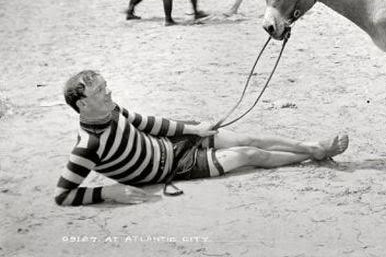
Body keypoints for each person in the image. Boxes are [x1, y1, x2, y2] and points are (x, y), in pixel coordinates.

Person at [55, 70, 349, 206]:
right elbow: (63, 195)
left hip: (174, 143)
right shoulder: (87, 147)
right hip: (174, 168)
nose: (109, 93)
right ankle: (314, 153)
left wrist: (194, 130)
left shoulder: (114, 110)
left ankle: (310, 146)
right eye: (100, 92)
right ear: (82, 104)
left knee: (248, 137)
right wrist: (108, 193)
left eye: (106, 86)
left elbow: (150, 123)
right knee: (249, 155)